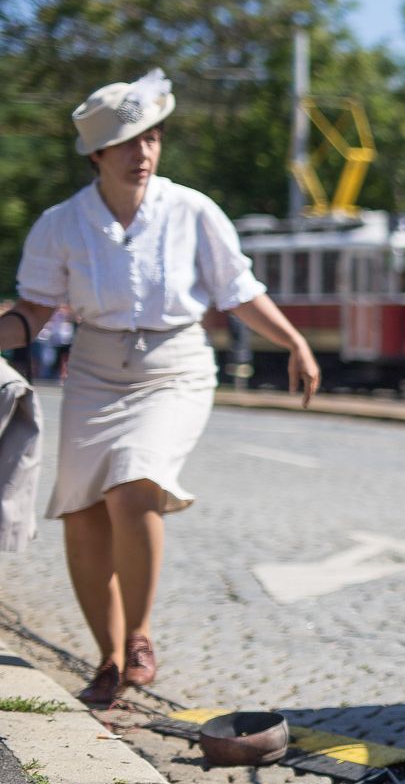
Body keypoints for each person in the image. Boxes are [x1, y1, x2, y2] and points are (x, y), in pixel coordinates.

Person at [0, 68, 321, 707]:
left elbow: (239, 291)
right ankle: (110, 657)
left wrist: (294, 341)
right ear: (96, 154)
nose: (142, 153)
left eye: (152, 138)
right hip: (94, 371)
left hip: (175, 367)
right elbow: (35, 310)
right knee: (82, 512)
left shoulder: (193, 210)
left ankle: (141, 636)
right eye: (126, 143)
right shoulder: (60, 224)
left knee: (133, 481)